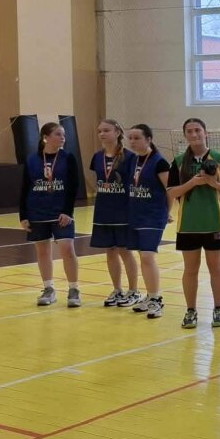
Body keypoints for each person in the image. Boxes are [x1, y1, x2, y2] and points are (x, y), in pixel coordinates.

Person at [166, 118, 220, 330]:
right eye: (189, 131)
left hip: (214, 222)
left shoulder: (219, 158)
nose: (194, 134)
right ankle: (191, 310)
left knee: (215, 267)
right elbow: (171, 192)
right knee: (190, 269)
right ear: (185, 135)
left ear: (205, 132)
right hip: (188, 224)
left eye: (197, 130)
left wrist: (212, 182)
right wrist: (193, 182)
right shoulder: (178, 161)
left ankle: (219, 309)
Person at [21, 122, 81, 307]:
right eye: (58, 134)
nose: (63, 138)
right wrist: (23, 215)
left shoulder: (68, 158)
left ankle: (74, 289)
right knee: (42, 251)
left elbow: (74, 186)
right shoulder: (32, 159)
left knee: (67, 249)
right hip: (37, 211)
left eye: (64, 134)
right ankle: (48, 288)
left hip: (60, 212)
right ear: (45, 137)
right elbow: (25, 187)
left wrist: (67, 211)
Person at [89, 119, 141, 308]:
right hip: (103, 210)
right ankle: (117, 289)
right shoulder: (97, 157)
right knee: (110, 251)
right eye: (99, 131)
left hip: (123, 211)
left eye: (106, 130)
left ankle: (134, 290)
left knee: (125, 251)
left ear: (117, 132)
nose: (102, 134)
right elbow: (98, 180)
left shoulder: (130, 157)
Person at [125, 124, 169, 318]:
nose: (132, 142)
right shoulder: (132, 160)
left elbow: (170, 190)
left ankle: (156, 298)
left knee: (147, 256)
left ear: (149, 139)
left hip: (153, 215)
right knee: (142, 255)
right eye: (130, 138)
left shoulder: (160, 162)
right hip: (135, 213)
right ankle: (149, 295)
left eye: (137, 138)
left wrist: (167, 212)